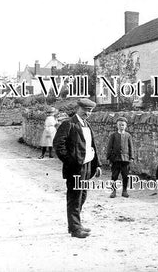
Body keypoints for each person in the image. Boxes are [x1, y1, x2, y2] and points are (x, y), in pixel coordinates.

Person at [53, 98, 101, 238]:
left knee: (82, 196)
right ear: (78, 108)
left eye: (90, 110)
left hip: (87, 166)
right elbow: (58, 144)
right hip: (75, 168)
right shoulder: (68, 124)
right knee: (74, 197)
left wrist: (97, 164)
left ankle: (75, 224)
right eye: (85, 110)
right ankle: (75, 229)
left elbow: (92, 146)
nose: (88, 113)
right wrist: (70, 161)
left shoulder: (87, 125)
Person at [106, 117, 134, 198]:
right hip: (115, 159)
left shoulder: (128, 135)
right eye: (119, 125)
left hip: (125, 159)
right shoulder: (113, 135)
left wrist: (131, 157)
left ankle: (124, 191)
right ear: (117, 125)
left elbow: (131, 147)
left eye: (123, 125)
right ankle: (113, 191)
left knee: (125, 175)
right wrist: (109, 157)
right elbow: (109, 147)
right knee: (114, 176)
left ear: (125, 126)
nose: (121, 126)